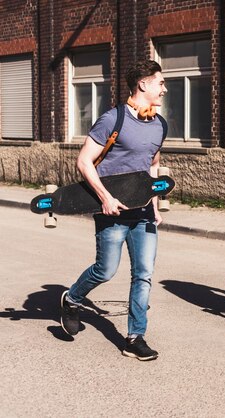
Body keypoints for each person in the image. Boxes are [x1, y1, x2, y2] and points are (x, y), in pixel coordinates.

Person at [60, 60, 168, 361]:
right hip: (113, 211)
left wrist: (155, 205)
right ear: (143, 84)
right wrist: (105, 197)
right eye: (160, 82)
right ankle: (72, 298)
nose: (164, 88)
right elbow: (84, 162)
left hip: (143, 212)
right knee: (106, 270)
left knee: (143, 274)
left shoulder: (160, 124)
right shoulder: (113, 119)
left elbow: (153, 166)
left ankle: (135, 337)